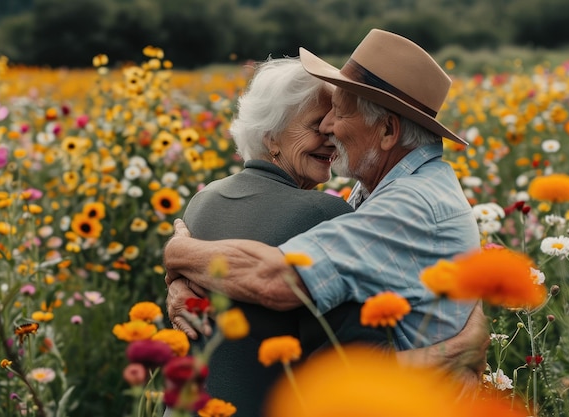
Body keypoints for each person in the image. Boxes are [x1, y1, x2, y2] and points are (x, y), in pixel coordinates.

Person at [166, 28, 488, 407]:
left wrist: (176, 254)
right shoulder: (380, 188)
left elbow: (275, 281)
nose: (330, 128)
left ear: (387, 131)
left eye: (340, 111)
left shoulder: (407, 202)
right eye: (321, 117)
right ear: (271, 137)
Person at [170, 57, 388, 417]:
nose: (331, 138)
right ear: (270, 137)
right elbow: (357, 359)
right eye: (316, 127)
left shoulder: (202, 200)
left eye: (332, 125)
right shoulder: (323, 214)